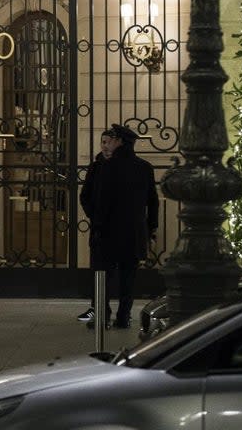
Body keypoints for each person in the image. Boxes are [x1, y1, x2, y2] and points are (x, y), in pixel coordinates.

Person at [77, 124, 159, 329]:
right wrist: (151, 230)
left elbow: (101, 201)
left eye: (112, 140)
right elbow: (153, 201)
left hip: (107, 232)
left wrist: (96, 222)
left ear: (120, 142)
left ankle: (103, 316)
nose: (109, 144)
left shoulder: (106, 167)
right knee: (128, 278)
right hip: (133, 233)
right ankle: (123, 317)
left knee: (102, 276)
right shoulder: (145, 167)